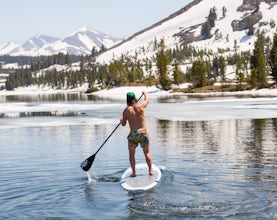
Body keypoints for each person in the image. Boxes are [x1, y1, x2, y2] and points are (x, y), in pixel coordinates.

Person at [120, 91, 153, 177]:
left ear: (127, 100)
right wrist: (145, 93)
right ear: (134, 98)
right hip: (143, 133)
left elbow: (123, 124)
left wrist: (121, 121)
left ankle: (134, 172)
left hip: (133, 134)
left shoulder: (126, 111)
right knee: (147, 153)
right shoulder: (141, 106)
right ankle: (150, 171)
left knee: (131, 155)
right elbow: (147, 100)